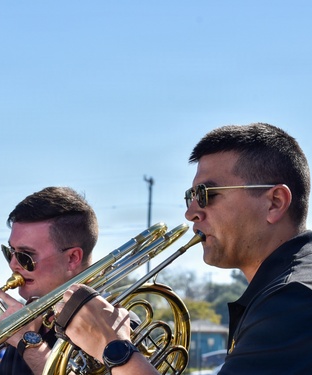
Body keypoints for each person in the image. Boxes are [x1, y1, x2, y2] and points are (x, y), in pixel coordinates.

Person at [57, 123, 312, 375]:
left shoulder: (293, 300)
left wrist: (113, 347)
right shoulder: (283, 293)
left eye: (206, 194)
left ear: (275, 203)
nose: (191, 213)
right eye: (190, 197)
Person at [0, 186, 99, 375]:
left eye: (26, 256)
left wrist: (30, 346)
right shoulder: (29, 325)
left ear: (72, 258)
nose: (14, 264)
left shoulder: (118, 325)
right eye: (10, 252)